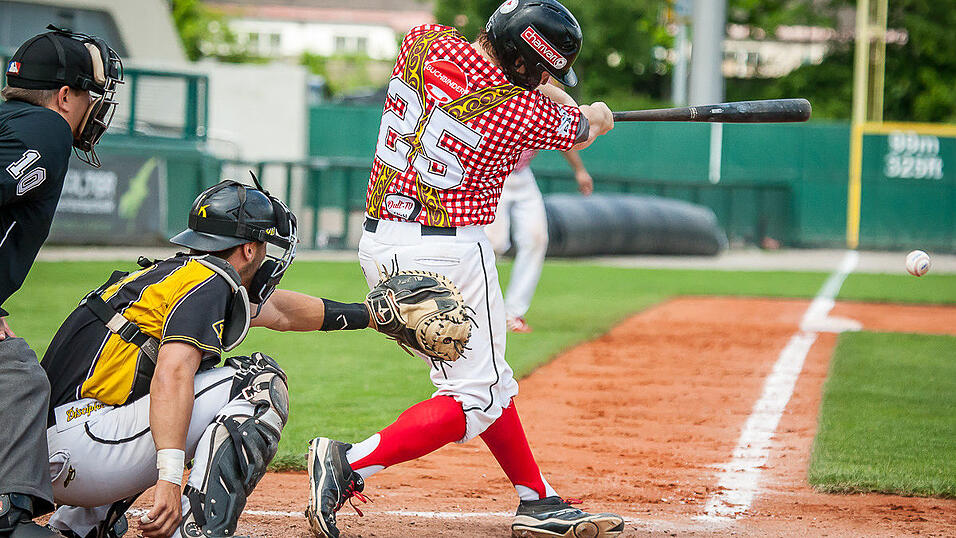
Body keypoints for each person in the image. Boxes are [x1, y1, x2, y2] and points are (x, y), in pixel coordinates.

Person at [305, 1, 623, 537]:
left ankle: (536, 498)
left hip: (382, 243)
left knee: (488, 381)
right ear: (526, 65)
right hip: (450, 252)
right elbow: (584, 124)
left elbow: (517, 80)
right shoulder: (517, 114)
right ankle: (348, 464)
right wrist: (596, 112)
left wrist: (552, 86)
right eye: (542, 69)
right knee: (470, 396)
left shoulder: (425, 42)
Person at [40, 179, 383, 538]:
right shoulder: (210, 283)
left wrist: (371, 315)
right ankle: (198, 530)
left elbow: (280, 311)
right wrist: (170, 480)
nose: (267, 255)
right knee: (256, 383)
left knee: (156, 396)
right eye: (264, 245)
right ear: (249, 249)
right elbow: (172, 374)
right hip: (86, 451)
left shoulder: (178, 275)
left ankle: (79, 525)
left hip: (56, 452)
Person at [0, 25, 122, 537]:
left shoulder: (13, 120)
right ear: (66, 94)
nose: (95, 107)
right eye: (92, 94)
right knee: (20, 378)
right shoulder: (46, 128)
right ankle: (8, 518)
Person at [484, 147, 593, 333]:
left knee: (537, 239)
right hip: (493, 170)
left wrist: (580, 170)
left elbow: (564, 137)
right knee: (494, 243)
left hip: (522, 173)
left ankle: (513, 314)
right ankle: (479, 310)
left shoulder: (543, 117)